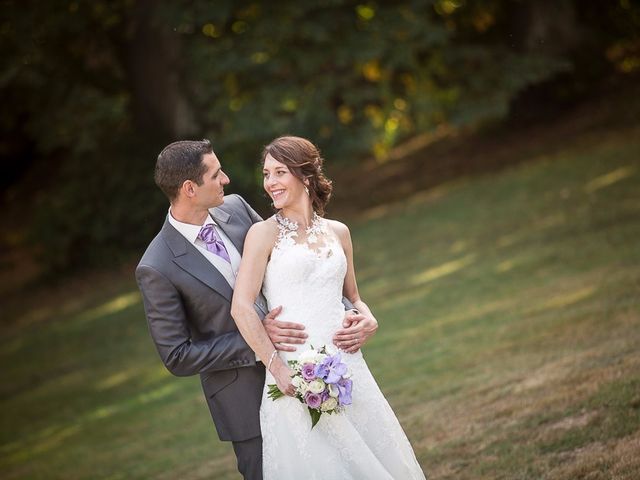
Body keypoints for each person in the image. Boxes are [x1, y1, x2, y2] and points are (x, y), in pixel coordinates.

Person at [135, 139, 376, 480]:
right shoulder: (157, 266)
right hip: (244, 397)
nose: (227, 180)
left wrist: (353, 311)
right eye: (216, 174)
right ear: (190, 188)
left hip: (312, 366)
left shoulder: (236, 209)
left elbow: (294, 269)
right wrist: (258, 340)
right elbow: (177, 355)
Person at [231, 136, 427, 479]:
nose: (270, 182)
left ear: (305, 176)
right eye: (266, 174)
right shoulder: (262, 234)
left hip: (348, 366)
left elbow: (354, 297)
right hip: (294, 372)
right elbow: (242, 308)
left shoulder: (339, 232)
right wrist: (277, 368)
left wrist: (369, 318)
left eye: (280, 172)